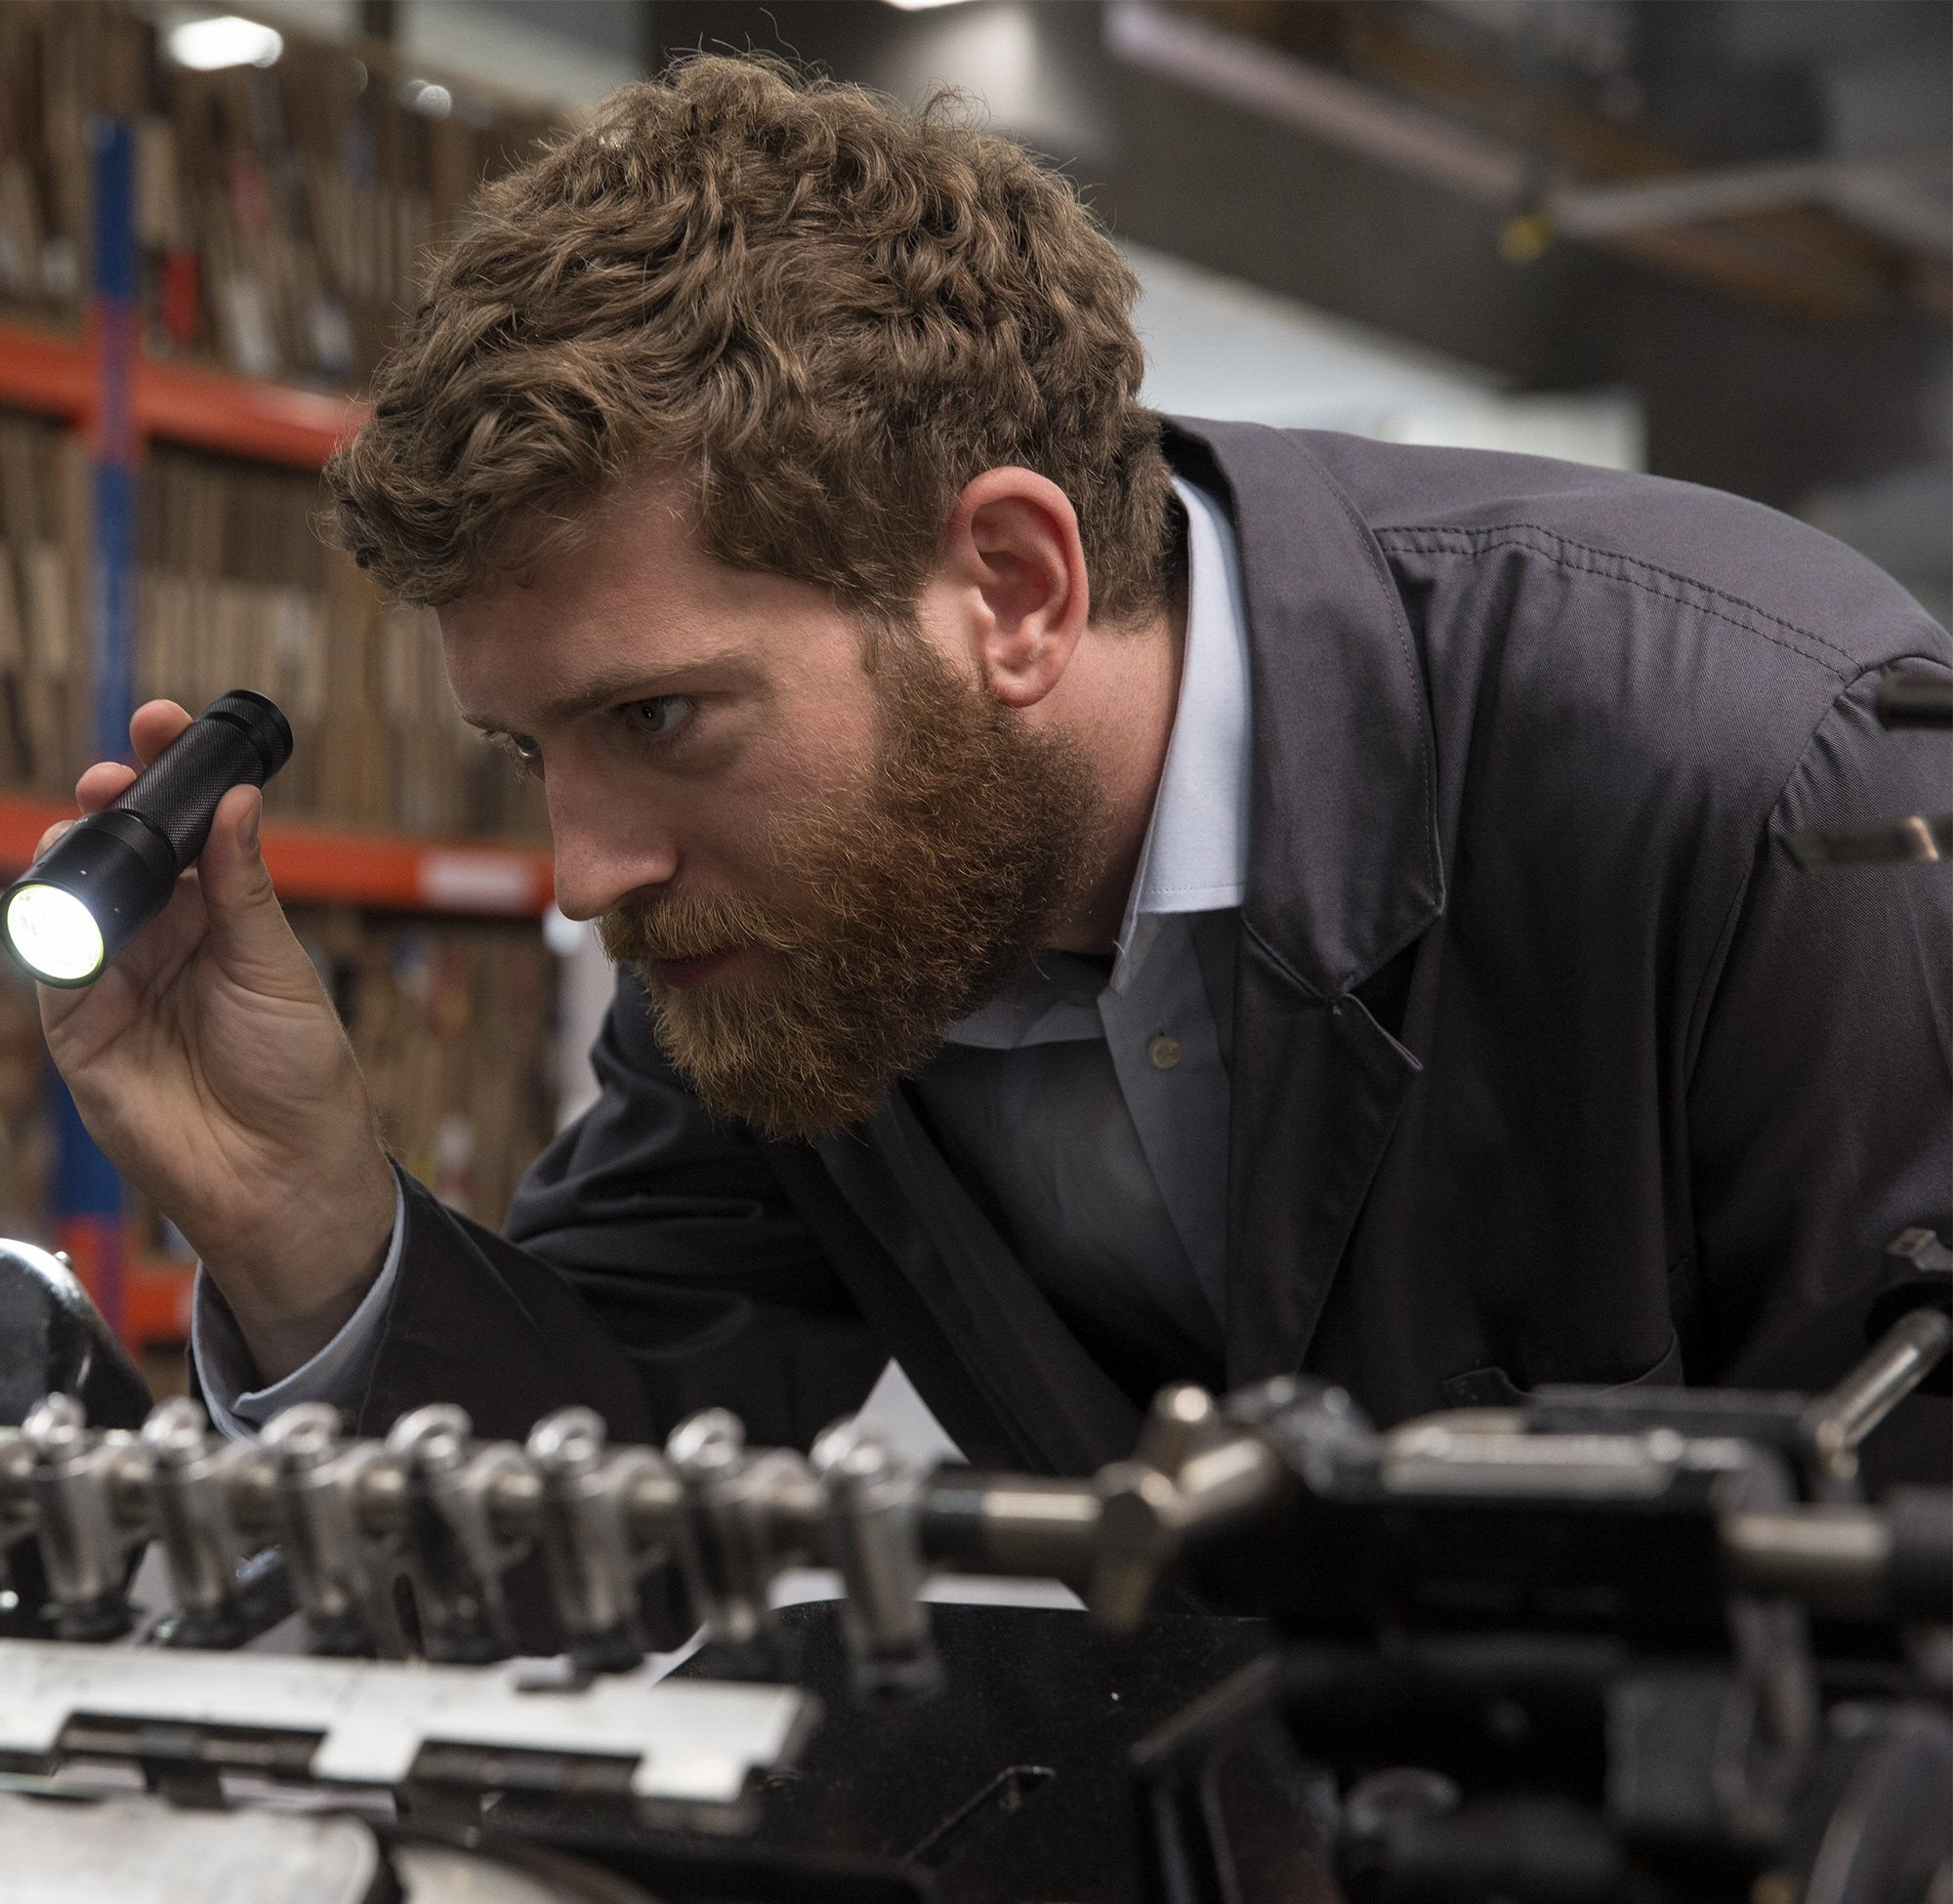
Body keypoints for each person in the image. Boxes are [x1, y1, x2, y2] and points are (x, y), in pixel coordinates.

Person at [35, 58, 1951, 1479]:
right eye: (528, 749)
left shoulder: (1763, 783)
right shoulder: (811, 934)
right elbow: (595, 1467)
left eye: (658, 718)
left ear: (1015, 587)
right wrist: (306, 1217)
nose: (584, 870)